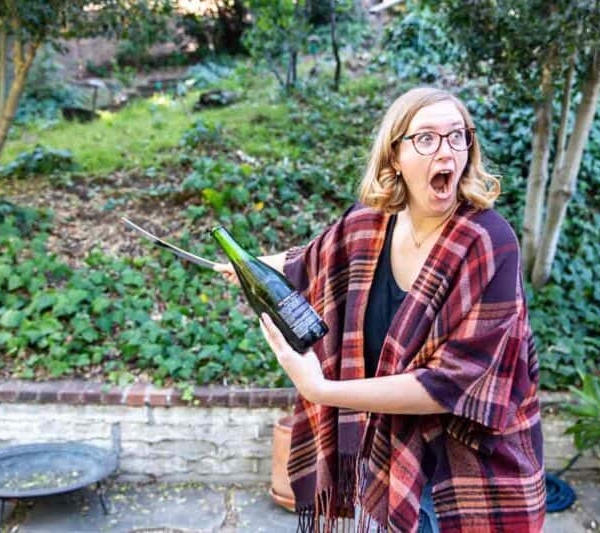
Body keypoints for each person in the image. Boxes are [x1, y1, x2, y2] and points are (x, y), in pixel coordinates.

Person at [216, 87, 545, 533]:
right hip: (384, 460)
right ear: (394, 156)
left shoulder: (489, 243)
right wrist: (244, 265)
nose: (445, 150)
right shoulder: (370, 223)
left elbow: (448, 385)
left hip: (468, 472)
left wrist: (321, 389)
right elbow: (310, 260)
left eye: (457, 137)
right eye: (426, 138)